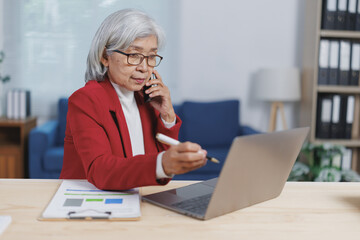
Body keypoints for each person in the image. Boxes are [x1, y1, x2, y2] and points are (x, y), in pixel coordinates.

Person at [60, 9, 207, 190]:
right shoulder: (86, 100)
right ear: (105, 56)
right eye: (134, 55)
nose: (144, 68)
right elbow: (101, 170)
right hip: (91, 201)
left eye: (151, 56)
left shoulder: (147, 98)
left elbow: (160, 172)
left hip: (137, 196)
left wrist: (167, 116)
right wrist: (162, 163)